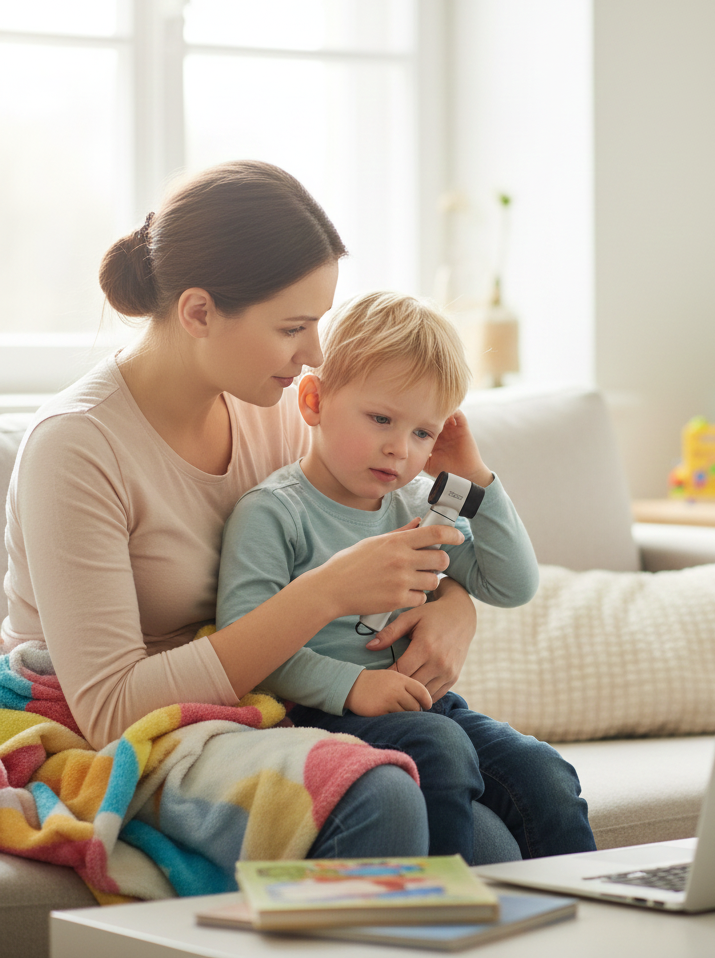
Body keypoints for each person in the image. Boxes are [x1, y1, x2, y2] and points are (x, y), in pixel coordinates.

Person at [0, 160, 507, 866]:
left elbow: (367, 526)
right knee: (385, 799)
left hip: (254, 702)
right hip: (110, 730)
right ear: (199, 312)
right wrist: (325, 591)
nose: (315, 354)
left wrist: (457, 606)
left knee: (495, 837)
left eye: (319, 323)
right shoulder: (77, 447)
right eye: (293, 327)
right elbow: (111, 711)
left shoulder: (267, 409)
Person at [215, 291, 596, 863]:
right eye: (381, 419)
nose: (399, 449)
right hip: (319, 714)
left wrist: (475, 477)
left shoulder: (417, 503)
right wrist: (355, 686)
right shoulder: (274, 512)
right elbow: (248, 642)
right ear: (314, 400)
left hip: (423, 707)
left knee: (543, 772)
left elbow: (512, 585)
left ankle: (585, 928)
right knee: (440, 747)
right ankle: (436, 923)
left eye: (423, 433)